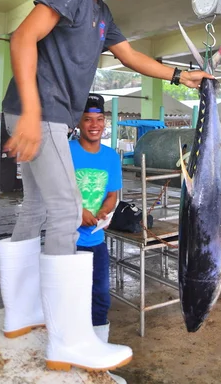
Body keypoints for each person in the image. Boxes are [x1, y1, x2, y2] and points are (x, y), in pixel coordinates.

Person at [0, 0, 211, 373]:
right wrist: (32, 113)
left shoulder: (102, 13)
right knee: (66, 210)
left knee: (38, 206)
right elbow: (22, 37)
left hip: (46, 114)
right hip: (41, 112)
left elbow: (130, 57)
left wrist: (179, 76)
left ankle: (21, 314)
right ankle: (67, 339)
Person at [71, 93, 125, 384]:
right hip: (66, 241)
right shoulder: (66, 151)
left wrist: (105, 209)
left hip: (95, 241)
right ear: (79, 122)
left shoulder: (110, 156)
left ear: (105, 122)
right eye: (88, 119)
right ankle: (71, 356)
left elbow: (113, 194)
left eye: (99, 119)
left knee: (101, 297)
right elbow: (51, 190)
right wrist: (76, 210)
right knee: (70, 298)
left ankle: (97, 358)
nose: (94, 125)